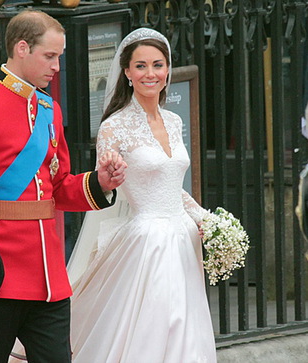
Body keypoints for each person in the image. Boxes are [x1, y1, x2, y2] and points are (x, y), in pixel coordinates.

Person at [0, 9, 127, 363]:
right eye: (50, 56)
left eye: (59, 57)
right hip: (0, 272)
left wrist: (100, 183)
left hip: (49, 275)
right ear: (21, 48)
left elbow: (58, 189)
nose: (56, 66)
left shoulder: (49, 109)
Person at [68, 28, 217, 362]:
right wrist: (110, 174)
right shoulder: (113, 127)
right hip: (147, 242)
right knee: (151, 326)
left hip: (184, 238)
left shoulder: (175, 121)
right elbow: (106, 186)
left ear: (167, 70)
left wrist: (207, 220)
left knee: (184, 326)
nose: (151, 74)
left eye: (158, 65)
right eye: (141, 66)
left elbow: (171, 186)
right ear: (127, 72)